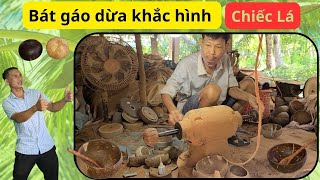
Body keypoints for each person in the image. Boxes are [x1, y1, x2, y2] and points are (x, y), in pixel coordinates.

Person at [160, 34, 260, 126]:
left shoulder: (225, 59)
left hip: (217, 106)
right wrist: (173, 110)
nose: (212, 52)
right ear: (201, 42)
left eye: (218, 47)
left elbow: (232, 88)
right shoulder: (186, 64)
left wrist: (249, 97)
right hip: (191, 111)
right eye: (208, 45)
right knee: (213, 91)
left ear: (226, 45)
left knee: (250, 84)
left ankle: (228, 127)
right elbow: (166, 92)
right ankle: (199, 130)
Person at [2, 67, 73, 180]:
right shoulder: (7, 103)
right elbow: (18, 118)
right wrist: (35, 107)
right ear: (7, 81)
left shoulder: (36, 93)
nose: (19, 78)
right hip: (25, 150)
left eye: (20, 75)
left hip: (47, 147)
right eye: (15, 76)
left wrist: (64, 100)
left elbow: (53, 107)